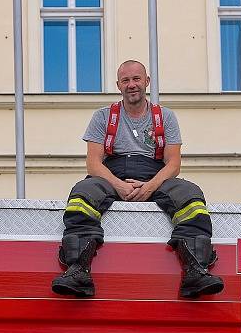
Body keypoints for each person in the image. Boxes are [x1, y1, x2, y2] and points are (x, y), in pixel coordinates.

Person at [51, 60, 224, 299]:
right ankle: (77, 270)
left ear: (147, 82)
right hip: (111, 174)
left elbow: (173, 163)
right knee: (83, 194)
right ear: (118, 85)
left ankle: (195, 271)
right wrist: (118, 185)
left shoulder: (166, 117)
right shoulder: (102, 117)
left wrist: (150, 186)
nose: (132, 85)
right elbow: (93, 163)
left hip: (155, 175)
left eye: (136, 79)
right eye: (126, 80)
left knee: (191, 197)